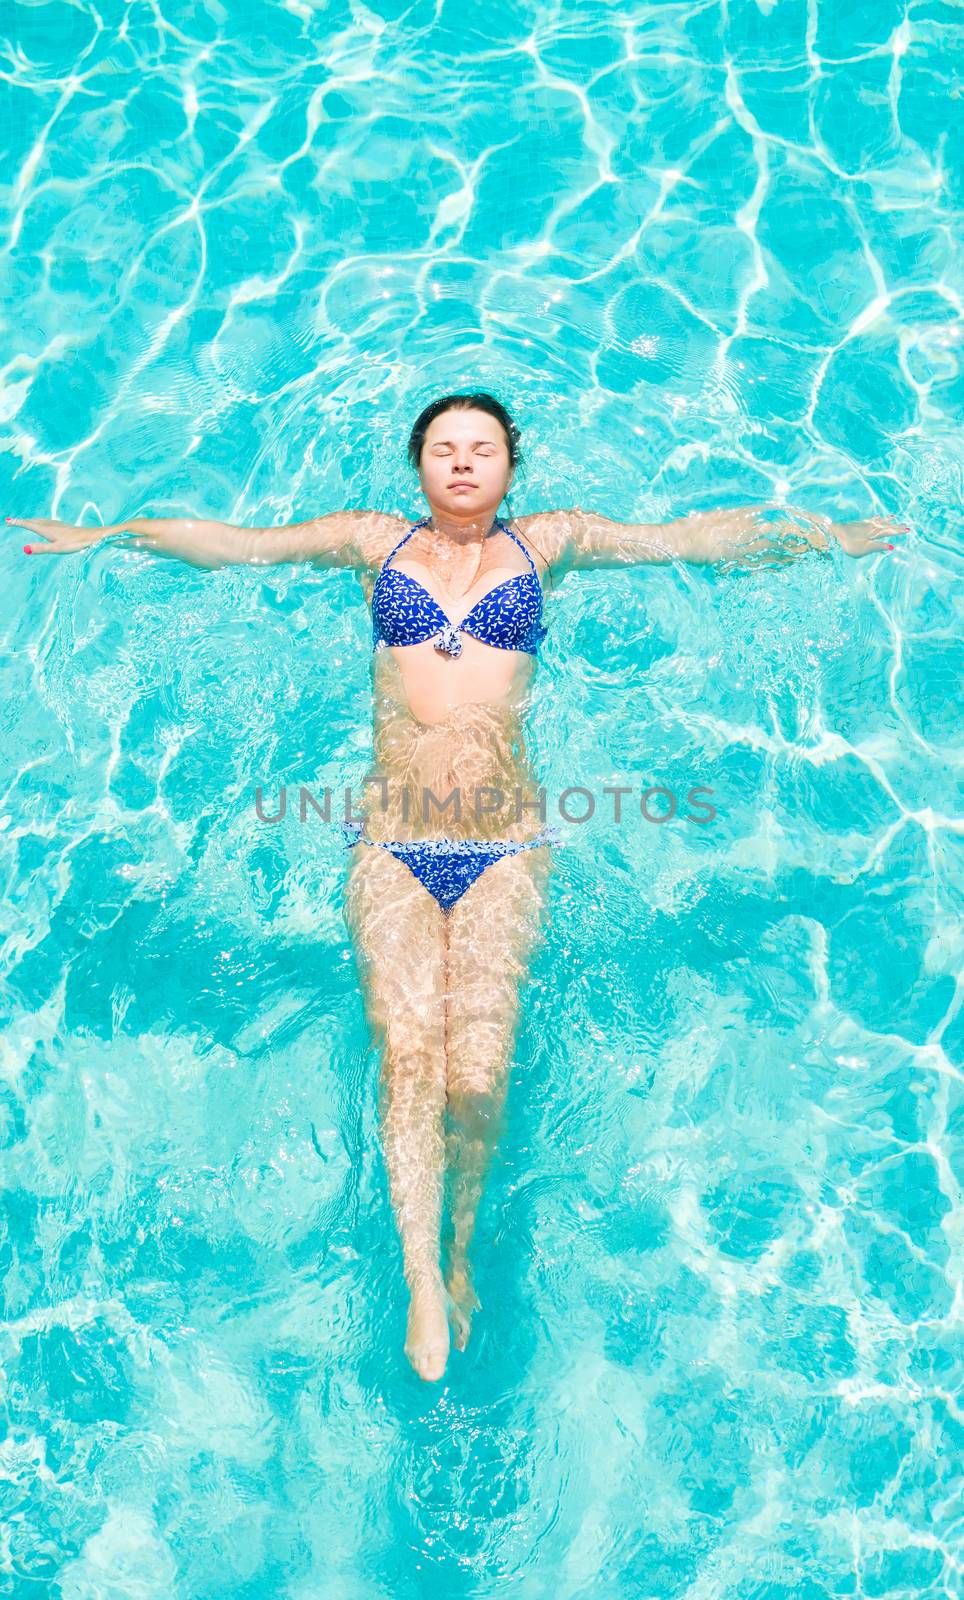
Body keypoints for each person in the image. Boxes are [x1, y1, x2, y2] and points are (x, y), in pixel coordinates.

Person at [8, 392, 908, 1382]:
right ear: (419, 463)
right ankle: (420, 1278)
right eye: (445, 449)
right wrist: (104, 535)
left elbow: (692, 538)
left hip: (504, 845)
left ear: (511, 465)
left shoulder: (547, 546)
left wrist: (829, 538)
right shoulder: (372, 543)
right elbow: (235, 544)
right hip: (391, 842)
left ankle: (465, 1245)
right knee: (407, 1055)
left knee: (477, 1075)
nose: (464, 464)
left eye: (482, 449)